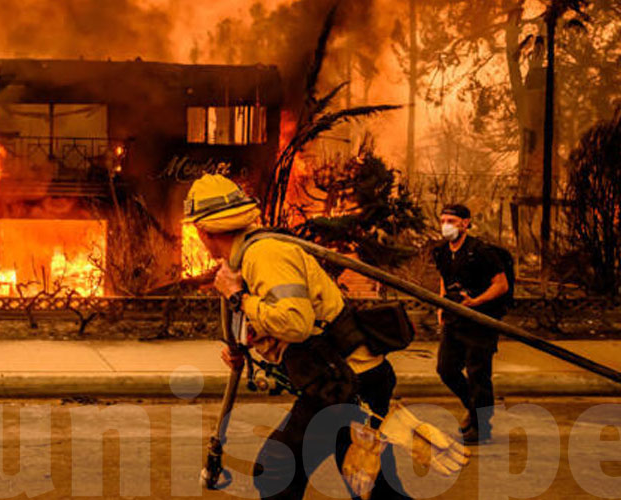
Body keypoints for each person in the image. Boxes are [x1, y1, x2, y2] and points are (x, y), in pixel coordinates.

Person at [184, 174, 409, 500]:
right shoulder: (245, 257)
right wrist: (243, 349)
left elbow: (294, 322)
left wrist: (236, 296)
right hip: (341, 380)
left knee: (278, 471)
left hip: (346, 383)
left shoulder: (264, 255)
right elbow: (277, 321)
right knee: (371, 485)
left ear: (202, 231)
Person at [431, 204, 509, 444]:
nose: (446, 225)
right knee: (446, 369)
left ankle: (480, 426)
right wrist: (441, 306)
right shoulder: (442, 252)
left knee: (478, 374)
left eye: (452, 221)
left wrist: (476, 301)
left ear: (465, 223)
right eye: (443, 220)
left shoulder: (481, 252)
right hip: (454, 320)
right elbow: (445, 280)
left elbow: (501, 284)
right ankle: (473, 408)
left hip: (480, 321)